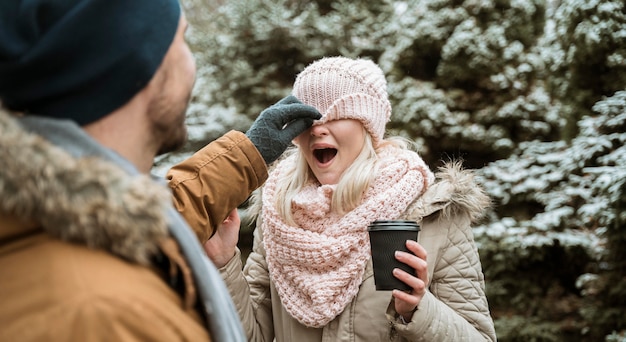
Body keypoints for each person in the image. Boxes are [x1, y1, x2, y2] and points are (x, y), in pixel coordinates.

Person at [0, 0, 320, 341]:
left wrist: (249, 154)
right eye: (181, 39)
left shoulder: (57, 212)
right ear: (141, 66)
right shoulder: (109, 316)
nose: (191, 62)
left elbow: (156, 213)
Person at [200, 56, 498, 341]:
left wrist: (417, 310)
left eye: (336, 113)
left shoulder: (434, 214)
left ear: (367, 123)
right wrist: (225, 261)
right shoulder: (280, 213)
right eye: (306, 116)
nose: (317, 127)